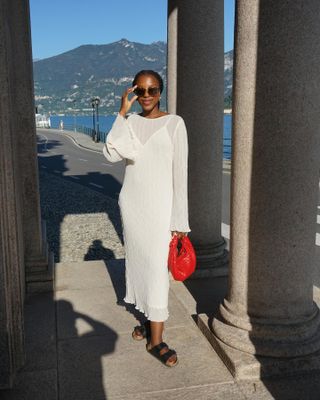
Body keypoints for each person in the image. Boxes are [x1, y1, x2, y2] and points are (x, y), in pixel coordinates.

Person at [103, 70, 190, 367]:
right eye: (140, 91)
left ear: (161, 91)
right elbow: (111, 154)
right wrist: (121, 112)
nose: (147, 95)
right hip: (133, 205)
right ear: (134, 93)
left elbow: (181, 175)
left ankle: (157, 339)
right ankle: (149, 322)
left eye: (152, 89)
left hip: (161, 209)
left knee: (155, 269)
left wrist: (180, 221)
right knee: (139, 263)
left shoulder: (175, 123)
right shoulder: (130, 123)